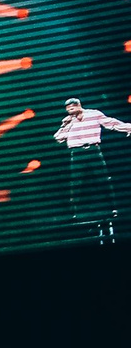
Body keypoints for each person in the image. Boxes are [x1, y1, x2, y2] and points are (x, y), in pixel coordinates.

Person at [54, 97, 131, 244]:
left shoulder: (93, 114)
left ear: (78, 105)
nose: (69, 111)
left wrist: (128, 127)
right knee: (76, 182)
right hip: (77, 153)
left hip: (94, 150)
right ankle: (74, 213)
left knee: (104, 180)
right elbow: (58, 138)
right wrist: (64, 125)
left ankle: (113, 208)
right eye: (67, 110)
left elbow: (111, 123)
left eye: (71, 108)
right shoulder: (69, 121)